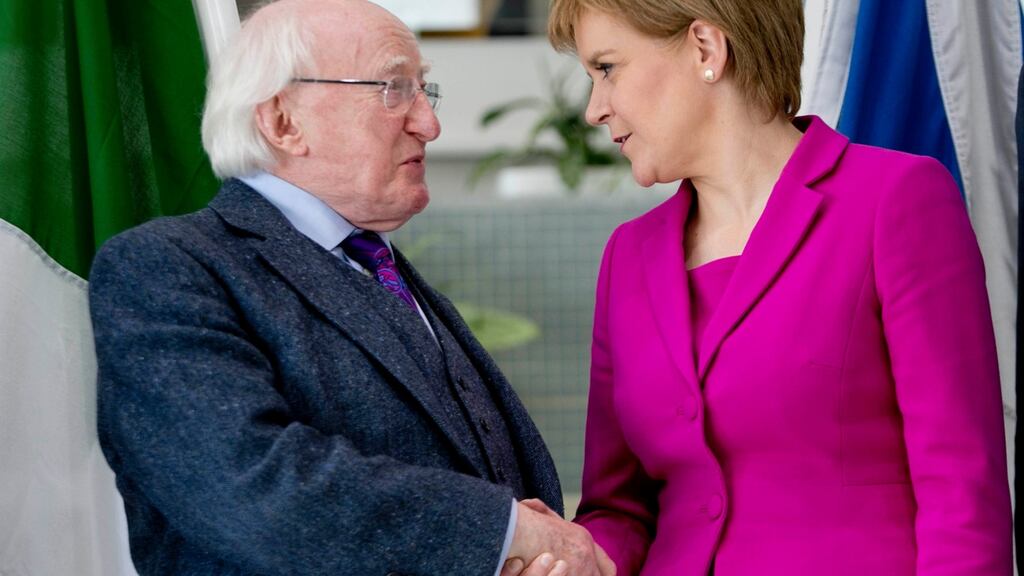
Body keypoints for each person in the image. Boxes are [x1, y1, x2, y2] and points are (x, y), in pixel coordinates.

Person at [88, 1, 615, 575]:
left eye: (423, 90)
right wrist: (508, 533)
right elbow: (255, 491)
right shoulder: (164, 268)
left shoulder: (378, 263)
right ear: (284, 121)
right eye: (393, 88)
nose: (428, 123)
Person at [544, 0, 1013, 574]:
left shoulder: (895, 201)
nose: (595, 108)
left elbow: (962, 496)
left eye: (607, 68)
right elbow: (619, 509)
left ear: (705, 48)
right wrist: (584, 559)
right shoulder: (628, 256)